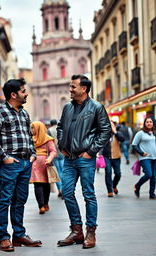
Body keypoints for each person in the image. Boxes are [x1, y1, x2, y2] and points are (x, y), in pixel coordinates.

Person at [0, 78, 42, 252]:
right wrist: (4, 157)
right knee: (5, 200)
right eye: (23, 91)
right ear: (13, 94)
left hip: (25, 163)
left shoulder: (24, 114)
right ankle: (3, 237)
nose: (26, 94)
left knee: (20, 200)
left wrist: (33, 154)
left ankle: (19, 234)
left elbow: (28, 136)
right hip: (10, 163)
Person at [56, 74, 111, 249]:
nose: (70, 90)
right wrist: (61, 144)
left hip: (85, 159)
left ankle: (91, 232)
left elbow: (105, 131)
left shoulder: (96, 107)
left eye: (73, 87)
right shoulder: (67, 107)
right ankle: (76, 230)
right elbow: (60, 127)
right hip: (69, 159)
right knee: (67, 192)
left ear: (84, 89)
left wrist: (90, 152)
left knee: (88, 194)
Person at [30, 121, 57, 214]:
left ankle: (46, 203)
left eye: (33, 127)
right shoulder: (30, 139)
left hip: (45, 164)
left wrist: (49, 159)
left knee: (46, 185)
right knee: (37, 184)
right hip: (34, 164)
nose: (31, 130)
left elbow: (53, 151)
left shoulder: (48, 139)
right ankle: (41, 205)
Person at [132, 117, 156, 200]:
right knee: (149, 174)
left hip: (155, 157)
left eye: (150, 122)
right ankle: (137, 186)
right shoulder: (140, 133)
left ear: (153, 123)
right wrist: (141, 153)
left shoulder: (155, 133)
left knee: (153, 177)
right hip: (144, 158)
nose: (149, 123)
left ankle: (152, 194)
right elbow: (134, 145)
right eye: (147, 122)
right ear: (144, 123)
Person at [102, 121, 124, 197]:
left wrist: (115, 132)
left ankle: (114, 186)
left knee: (118, 174)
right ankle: (110, 191)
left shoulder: (118, 134)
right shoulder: (104, 135)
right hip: (106, 157)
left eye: (111, 125)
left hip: (116, 157)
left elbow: (122, 139)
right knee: (108, 173)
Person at [48, 119, 64, 197]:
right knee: (63, 171)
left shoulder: (49, 130)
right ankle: (64, 188)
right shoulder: (61, 130)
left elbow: (49, 143)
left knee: (57, 172)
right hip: (62, 153)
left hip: (54, 153)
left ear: (51, 124)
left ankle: (60, 189)